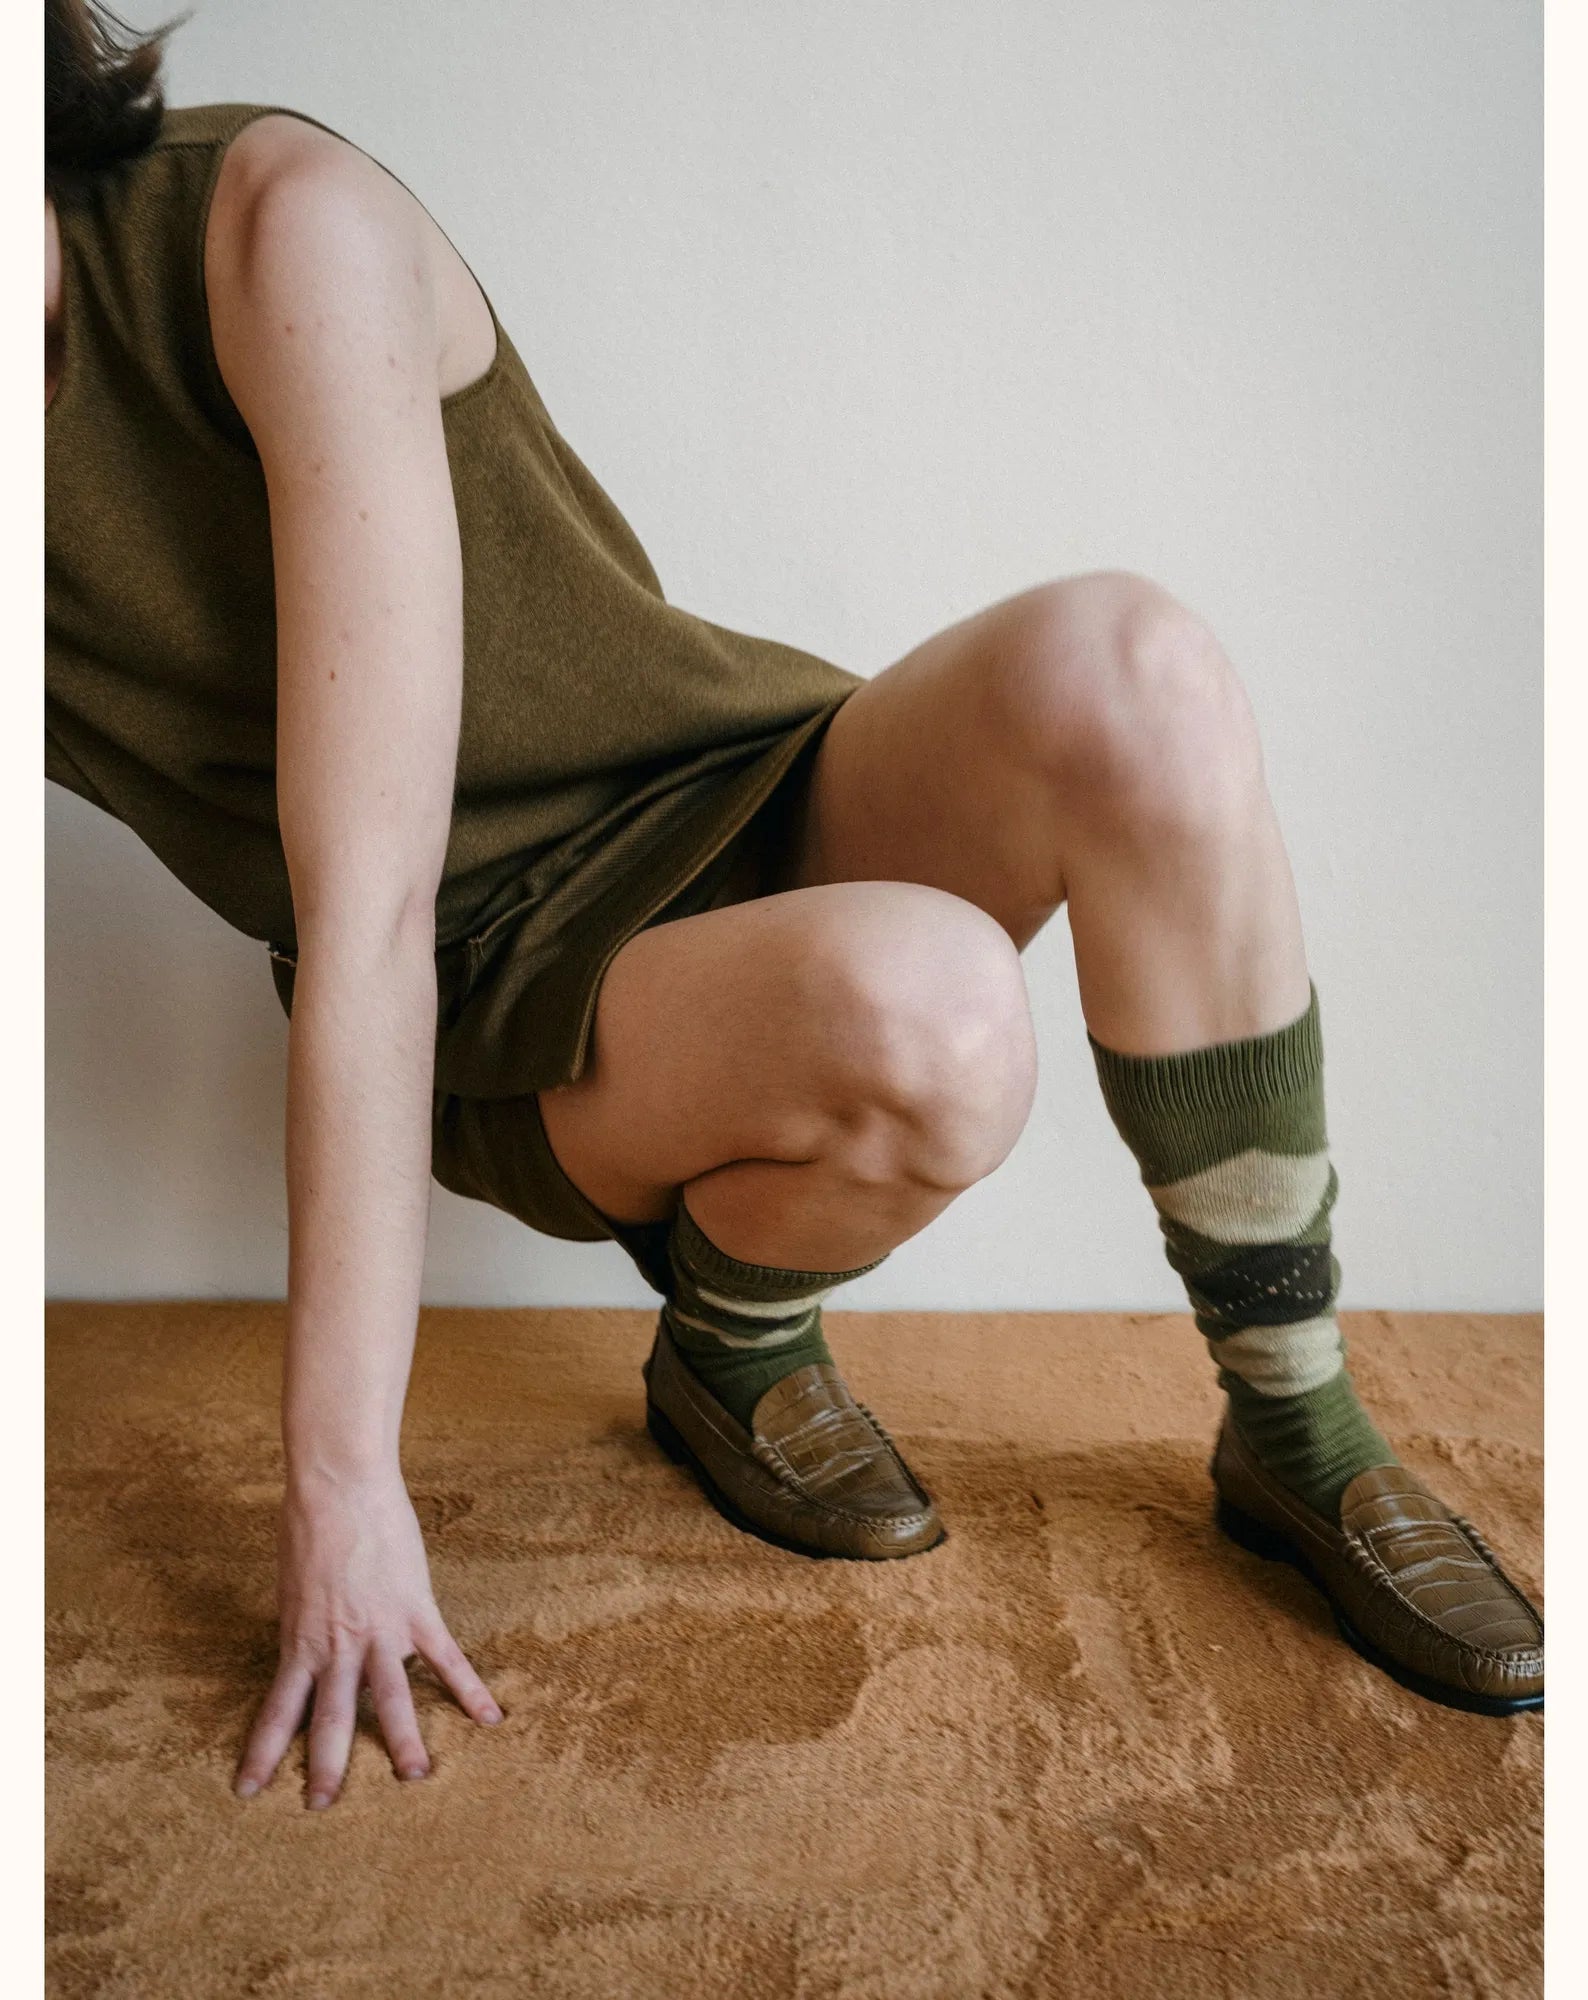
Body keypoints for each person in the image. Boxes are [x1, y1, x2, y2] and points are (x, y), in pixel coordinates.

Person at [45, 2, 1543, 1810]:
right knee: (943, 1017)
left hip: (722, 786)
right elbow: (375, 920)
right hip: (497, 993)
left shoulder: (279, 228)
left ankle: (1300, 1425)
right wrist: (347, 1494)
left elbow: (370, 876)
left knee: (1134, 666)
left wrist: (334, 1481)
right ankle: (739, 1347)